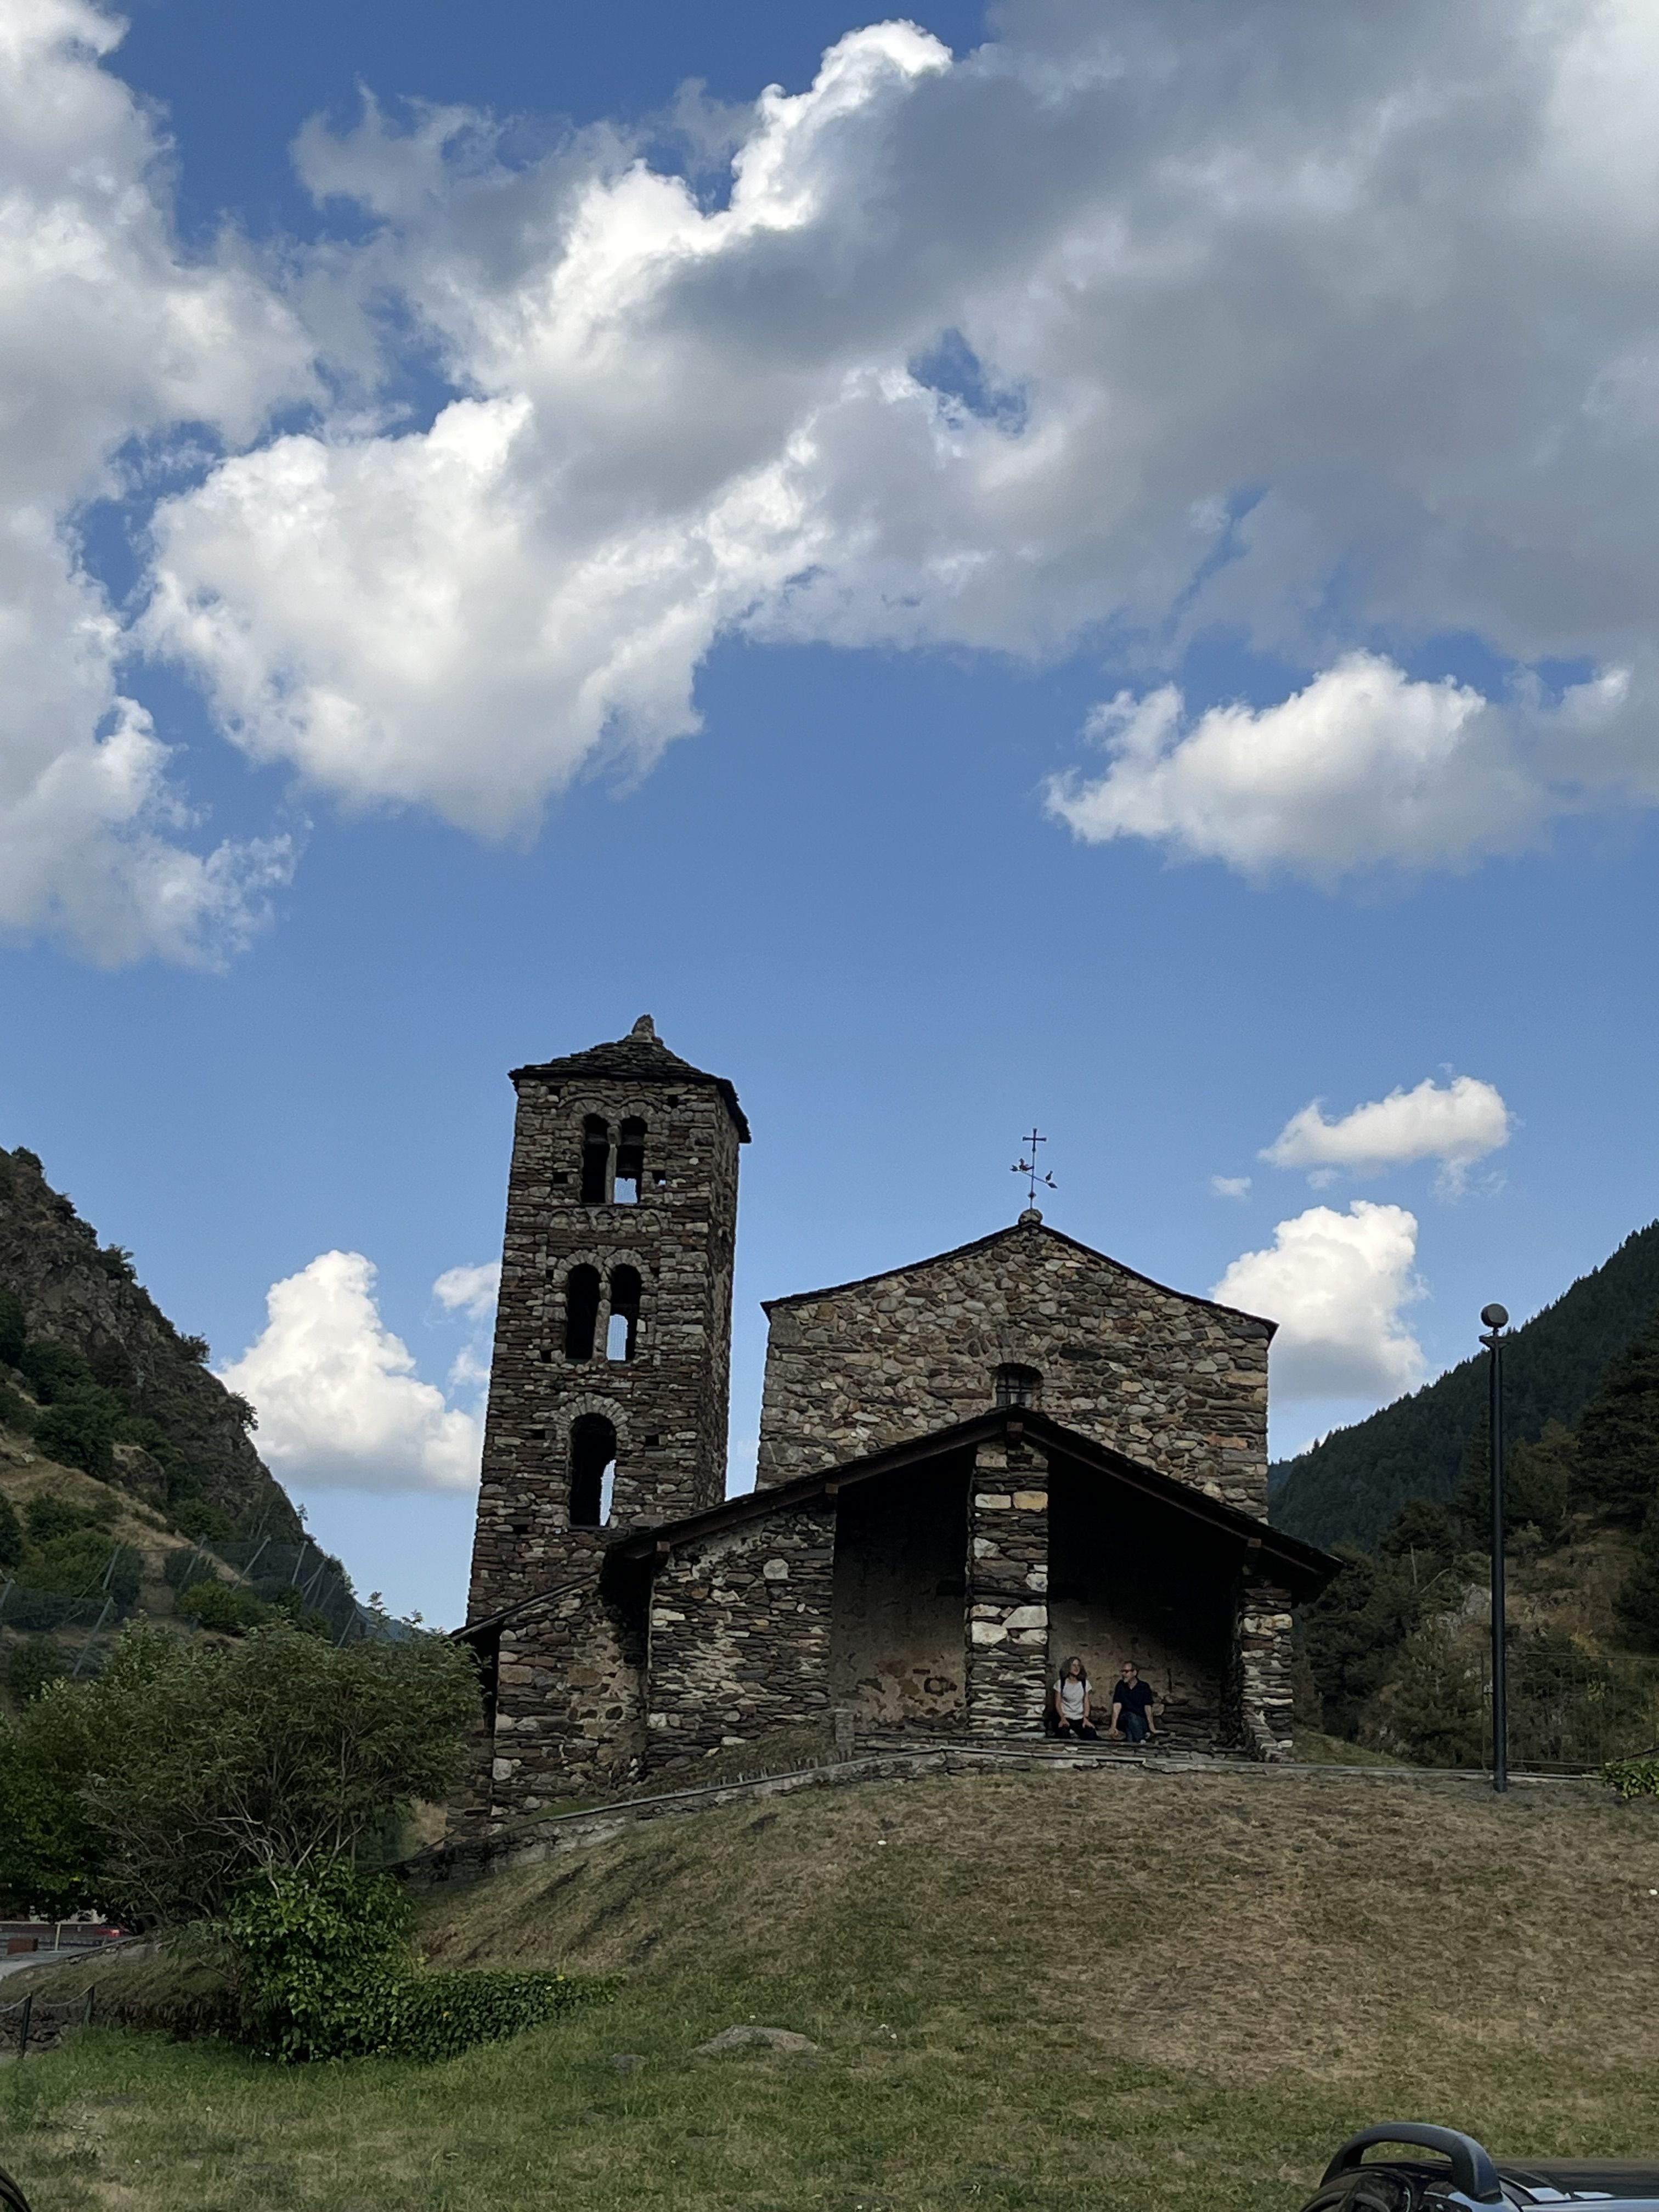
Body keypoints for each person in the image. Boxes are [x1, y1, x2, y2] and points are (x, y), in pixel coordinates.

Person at [1108, 1660, 1159, 1743]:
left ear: (1135, 1673)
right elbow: (1117, 1706)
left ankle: (1133, 1745)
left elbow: (1148, 1708)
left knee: (1130, 1729)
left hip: (1139, 1721)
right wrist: (1113, 1726)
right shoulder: (1121, 1686)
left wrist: (1152, 1727)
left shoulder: (1144, 1687)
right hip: (1124, 1718)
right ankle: (1141, 1740)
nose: (1124, 1674)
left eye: (1127, 1672)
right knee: (1130, 1716)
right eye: (1123, 1671)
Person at [1051, 1655, 1098, 1739]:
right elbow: (1058, 1703)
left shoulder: (1084, 1684)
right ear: (1068, 1667)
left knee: (1091, 1734)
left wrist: (1086, 1718)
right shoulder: (1061, 1683)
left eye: (1078, 1666)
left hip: (1079, 1718)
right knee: (1063, 1734)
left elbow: (1086, 1702)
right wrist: (1062, 1718)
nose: (1077, 1668)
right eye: (1074, 1665)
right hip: (1066, 1717)